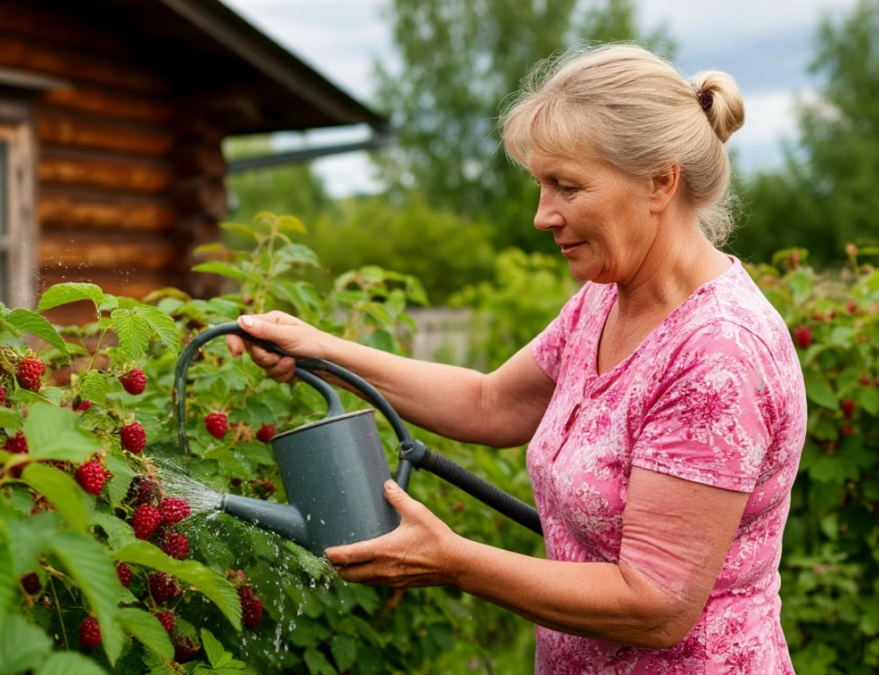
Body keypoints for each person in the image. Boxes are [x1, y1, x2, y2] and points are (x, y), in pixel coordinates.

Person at [227, 43, 805, 674]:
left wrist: (454, 561)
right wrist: (323, 349)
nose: (541, 215)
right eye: (540, 184)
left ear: (660, 182)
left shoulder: (716, 356)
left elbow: (657, 606)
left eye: (567, 186)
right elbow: (493, 403)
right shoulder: (604, 302)